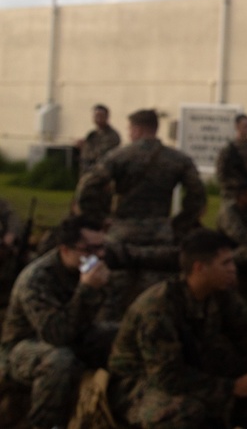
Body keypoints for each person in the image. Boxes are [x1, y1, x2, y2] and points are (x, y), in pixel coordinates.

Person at [107, 229, 247, 429]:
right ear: (199, 268)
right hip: (138, 384)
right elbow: (166, 377)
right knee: (184, 411)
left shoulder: (219, 292)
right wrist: (231, 388)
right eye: (225, 263)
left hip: (193, 368)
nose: (233, 269)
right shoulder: (157, 309)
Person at [75, 108, 206, 320]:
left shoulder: (120, 155)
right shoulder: (178, 159)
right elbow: (197, 195)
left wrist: (99, 219)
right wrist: (180, 224)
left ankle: (111, 337)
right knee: (157, 295)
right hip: (160, 234)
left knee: (113, 294)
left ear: (137, 129)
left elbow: (87, 187)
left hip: (123, 232)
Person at [0, 215, 117, 429]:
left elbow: (91, 321)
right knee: (58, 360)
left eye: (101, 248)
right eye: (89, 250)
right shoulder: (36, 279)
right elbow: (56, 335)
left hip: (72, 334)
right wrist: (87, 291)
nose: (98, 256)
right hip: (24, 346)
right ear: (65, 250)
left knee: (119, 335)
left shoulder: (87, 269)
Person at [215, 113, 247, 215]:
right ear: (237, 127)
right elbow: (221, 175)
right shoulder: (228, 151)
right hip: (232, 197)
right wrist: (238, 185)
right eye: (245, 126)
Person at [76, 103, 122, 176]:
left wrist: (84, 147)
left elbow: (103, 154)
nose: (98, 118)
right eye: (95, 116)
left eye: (100, 116)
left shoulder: (112, 135)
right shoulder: (92, 134)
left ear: (107, 117)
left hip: (102, 173)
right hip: (87, 171)